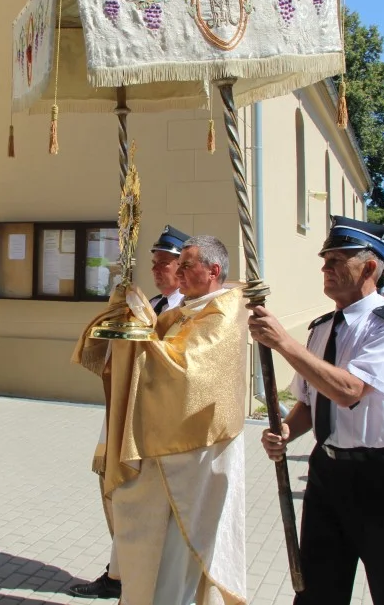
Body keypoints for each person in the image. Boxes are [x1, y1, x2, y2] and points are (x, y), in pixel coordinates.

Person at [249, 215, 384, 605]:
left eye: (336, 260)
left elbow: (348, 391)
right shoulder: (322, 327)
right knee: (317, 587)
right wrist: (285, 433)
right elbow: (312, 402)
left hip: (376, 474)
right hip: (326, 471)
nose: (325, 269)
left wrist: (283, 343)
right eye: (324, 260)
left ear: (369, 267)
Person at [73, 235, 248, 605]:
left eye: (186, 265)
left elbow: (186, 371)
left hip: (194, 455)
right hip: (165, 445)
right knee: (150, 546)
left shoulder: (223, 312)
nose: (177, 272)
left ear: (213, 270)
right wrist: (127, 307)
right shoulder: (188, 308)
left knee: (177, 555)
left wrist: (137, 329)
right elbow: (155, 335)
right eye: (177, 264)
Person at [67, 224, 188, 600]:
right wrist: (117, 311)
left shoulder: (187, 311)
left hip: (157, 425)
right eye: (154, 263)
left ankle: (134, 579)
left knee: (139, 502)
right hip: (126, 411)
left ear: (182, 267)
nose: (156, 270)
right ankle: (118, 573)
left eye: (164, 263)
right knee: (117, 492)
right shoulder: (151, 304)